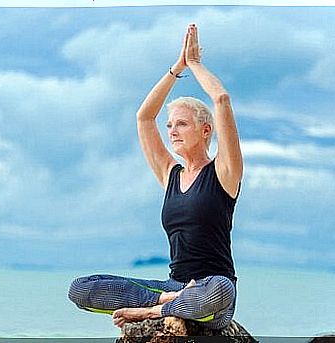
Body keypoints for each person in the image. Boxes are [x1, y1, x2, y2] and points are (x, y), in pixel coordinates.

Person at [68, 23, 243, 330]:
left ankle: (149, 311)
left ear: (205, 131)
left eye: (182, 124)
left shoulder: (224, 173)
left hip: (211, 292)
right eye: (170, 125)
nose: (172, 131)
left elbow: (222, 100)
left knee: (220, 290)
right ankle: (166, 303)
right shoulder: (170, 174)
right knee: (82, 288)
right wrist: (176, 68)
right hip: (172, 286)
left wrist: (195, 64)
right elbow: (144, 117)